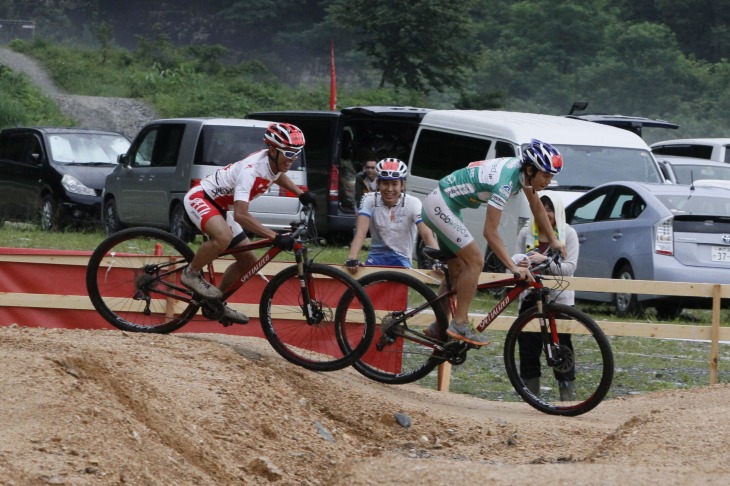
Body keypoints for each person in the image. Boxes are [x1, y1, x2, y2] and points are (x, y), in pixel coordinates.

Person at [421, 139, 567, 346]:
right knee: (476, 261)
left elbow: (536, 205)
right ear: (530, 169)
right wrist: (512, 265)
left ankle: (438, 326)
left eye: (551, 175)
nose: (548, 180)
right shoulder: (505, 182)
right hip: (440, 204)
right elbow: (490, 232)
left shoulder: (523, 174)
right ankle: (459, 323)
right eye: (546, 175)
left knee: (457, 270)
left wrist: (554, 240)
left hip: (450, 206)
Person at [182, 122, 316, 324]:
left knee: (248, 260)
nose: (293, 159)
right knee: (223, 237)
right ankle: (191, 274)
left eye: (296, 153)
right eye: (288, 153)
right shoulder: (251, 171)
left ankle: (216, 302)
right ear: (272, 149)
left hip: (222, 207)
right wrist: (275, 236)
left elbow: (277, 175)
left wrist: (301, 194)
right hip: (202, 198)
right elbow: (241, 216)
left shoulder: (273, 163)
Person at [513, 193, 578, 400]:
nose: (546, 214)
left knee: (561, 347)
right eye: (541, 208)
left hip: (559, 300)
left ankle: (567, 399)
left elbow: (569, 268)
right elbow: (514, 262)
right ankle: (531, 398)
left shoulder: (568, 233)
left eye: (550, 209)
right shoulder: (525, 232)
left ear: (557, 211)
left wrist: (545, 260)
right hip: (530, 297)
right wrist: (519, 265)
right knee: (528, 348)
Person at [345, 158, 438, 272]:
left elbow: (427, 235)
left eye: (394, 184)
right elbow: (361, 233)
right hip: (376, 257)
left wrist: (437, 261)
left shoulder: (413, 203)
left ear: (402, 185)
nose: (389, 189)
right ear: (378, 183)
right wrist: (352, 258)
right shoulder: (369, 199)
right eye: (385, 183)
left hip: (402, 258)